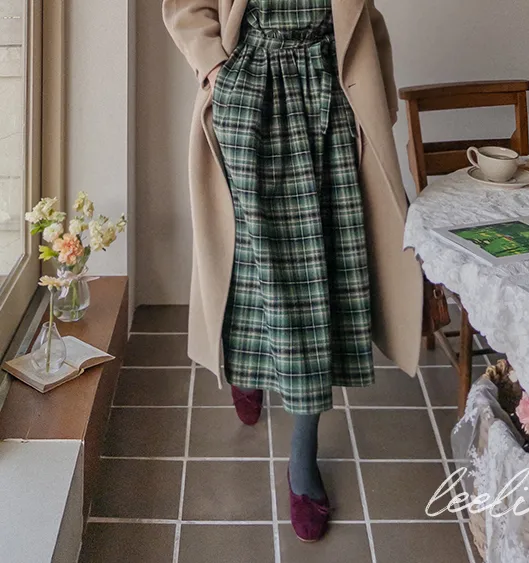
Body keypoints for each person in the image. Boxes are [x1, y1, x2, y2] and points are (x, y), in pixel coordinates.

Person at [163, 0, 423, 542]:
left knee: (318, 274)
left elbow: (365, 15)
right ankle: (247, 369)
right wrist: (216, 68)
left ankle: (302, 456)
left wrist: (379, 97)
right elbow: (185, 5)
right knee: (250, 263)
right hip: (250, 92)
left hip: (330, 92)